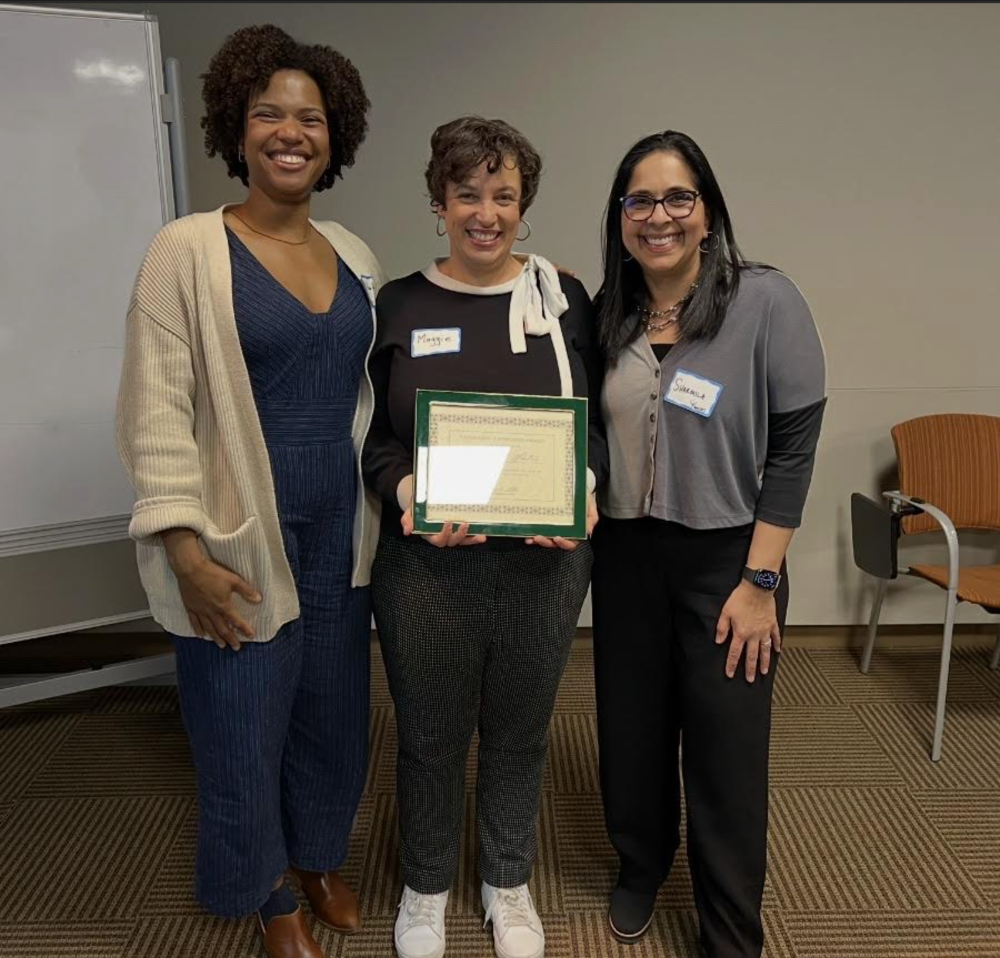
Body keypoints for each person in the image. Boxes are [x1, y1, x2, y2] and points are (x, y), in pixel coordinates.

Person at [115, 24, 386, 958]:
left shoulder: (355, 254)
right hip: (238, 533)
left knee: (333, 710)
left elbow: (373, 395)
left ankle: (317, 854)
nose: (290, 130)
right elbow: (154, 414)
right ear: (236, 126)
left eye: (310, 116)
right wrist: (184, 551)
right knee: (240, 721)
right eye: (268, 111)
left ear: (333, 135)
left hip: (342, 529)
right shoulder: (184, 252)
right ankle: (268, 890)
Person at [362, 116, 608, 958]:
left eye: (504, 195)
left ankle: (508, 882)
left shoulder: (563, 299)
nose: (486, 212)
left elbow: (597, 423)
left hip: (542, 567)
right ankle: (425, 887)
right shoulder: (396, 304)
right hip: (426, 569)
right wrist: (405, 490)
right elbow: (375, 440)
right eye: (468, 193)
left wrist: (583, 486)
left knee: (519, 731)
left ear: (523, 204)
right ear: (439, 201)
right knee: (428, 736)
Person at [590, 131, 826, 958]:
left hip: (731, 561)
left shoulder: (765, 301)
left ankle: (731, 930)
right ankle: (640, 864)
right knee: (632, 729)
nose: (659, 216)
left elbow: (794, 448)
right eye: (639, 200)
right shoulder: (606, 313)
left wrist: (761, 579)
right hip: (625, 556)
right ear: (620, 216)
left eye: (677, 198)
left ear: (708, 210)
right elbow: (586, 437)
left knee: (726, 753)